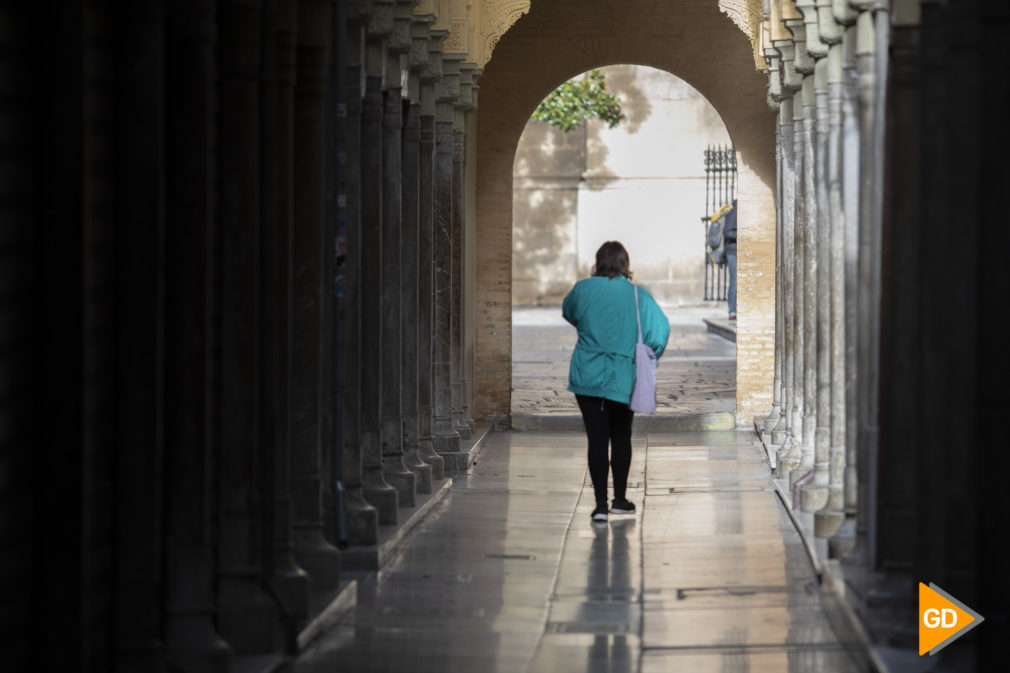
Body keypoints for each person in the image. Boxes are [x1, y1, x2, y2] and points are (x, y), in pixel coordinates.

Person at [562, 241, 670, 523]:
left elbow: (569, 312)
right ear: (626, 264)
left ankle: (599, 506)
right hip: (623, 374)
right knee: (621, 436)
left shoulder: (582, 289)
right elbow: (659, 331)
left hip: (587, 373)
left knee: (596, 440)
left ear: (597, 263)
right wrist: (648, 354)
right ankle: (619, 500)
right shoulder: (638, 294)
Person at [724, 199, 737, 320]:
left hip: (736, 250)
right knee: (734, 281)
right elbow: (727, 232)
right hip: (733, 251)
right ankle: (732, 310)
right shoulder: (735, 210)